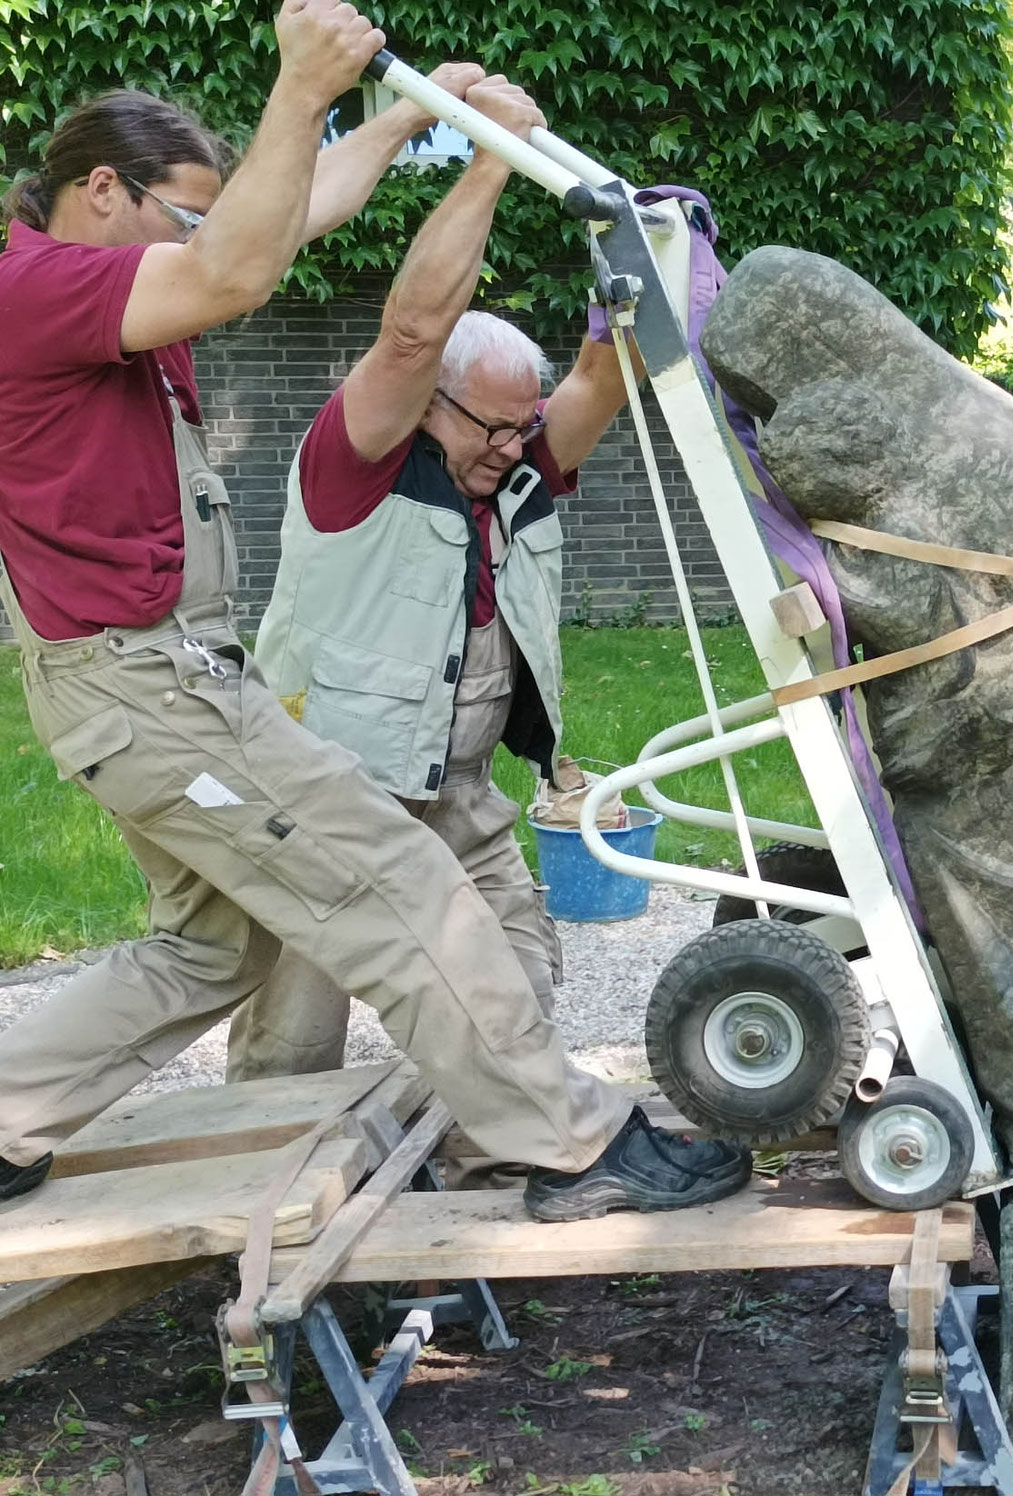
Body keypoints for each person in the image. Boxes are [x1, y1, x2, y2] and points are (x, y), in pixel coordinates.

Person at [0, 1, 746, 1223]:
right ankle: (564, 1143)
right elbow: (240, 262)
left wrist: (410, 113)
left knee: (211, 946)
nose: (198, 235)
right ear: (97, 193)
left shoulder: (82, 287)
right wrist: (302, 88)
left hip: (136, 681)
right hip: (147, 681)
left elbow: (276, 218)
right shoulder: (37, 290)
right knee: (396, 878)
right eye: (179, 213)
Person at [225, 75, 631, 1087]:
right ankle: (251, 1211)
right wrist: (494, 155)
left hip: (457, 791)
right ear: (425, 403)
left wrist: (643, 259)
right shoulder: (354, 457)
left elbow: (597, 379)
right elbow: (410, 331)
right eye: (487, 423)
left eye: (519, 422)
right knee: (291, 1042)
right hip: (329, 793)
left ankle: (464, 1160)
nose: (511, 443)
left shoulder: (521, 459)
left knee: (519, 985)